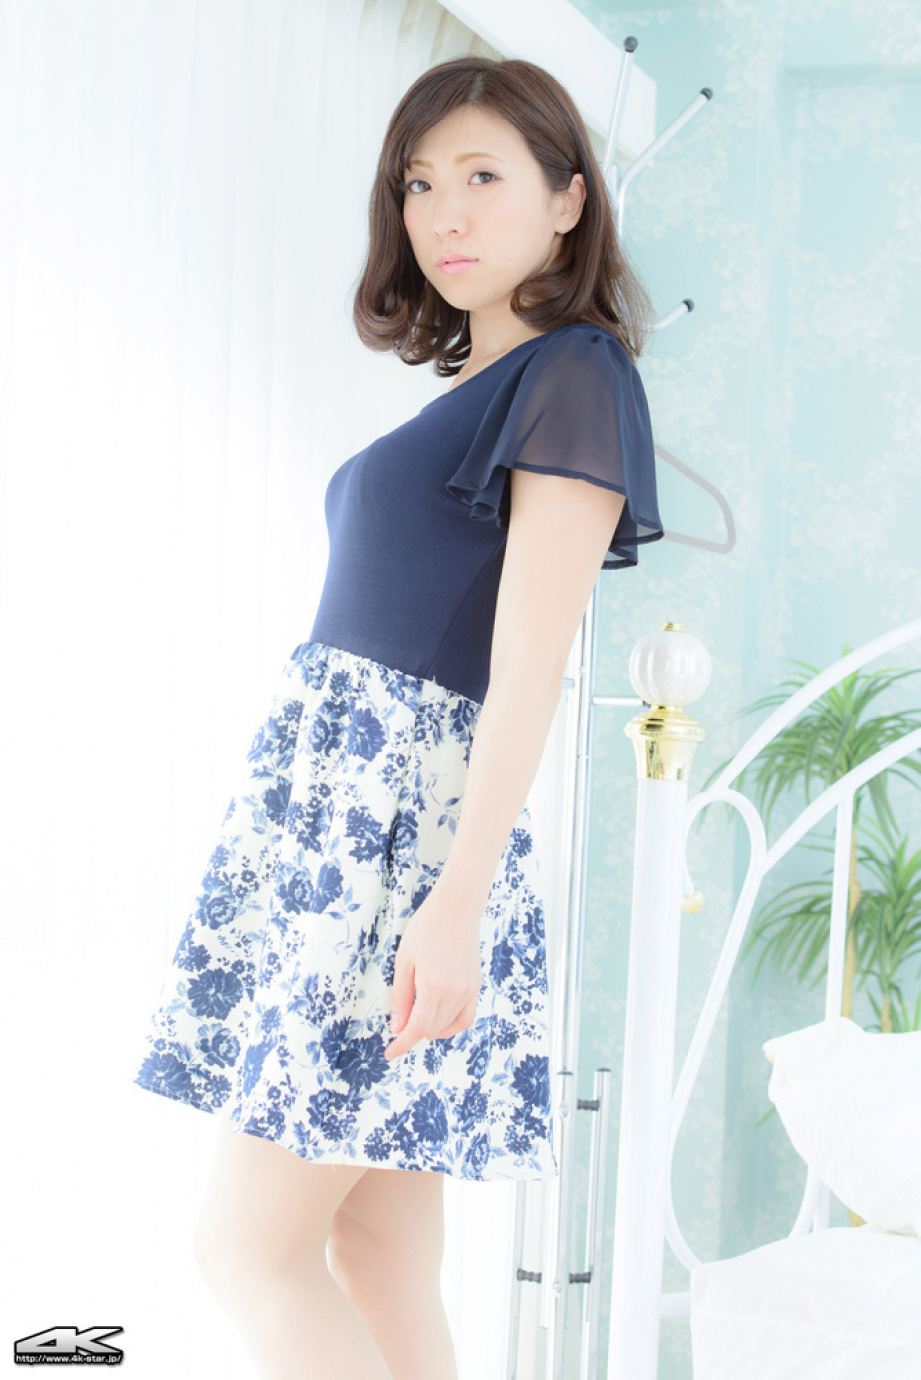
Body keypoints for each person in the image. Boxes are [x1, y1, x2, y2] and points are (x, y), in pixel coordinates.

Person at [131, 53, 663, 1380]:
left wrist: (454, 903)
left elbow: (529, 663)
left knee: (247, 1253)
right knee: (373, 1254)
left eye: (484, 176)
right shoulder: (484, 391)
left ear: (568, 200)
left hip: (400, 853)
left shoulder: (574, 375)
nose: (444, 213)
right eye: (420, 184)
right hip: (346, 836)